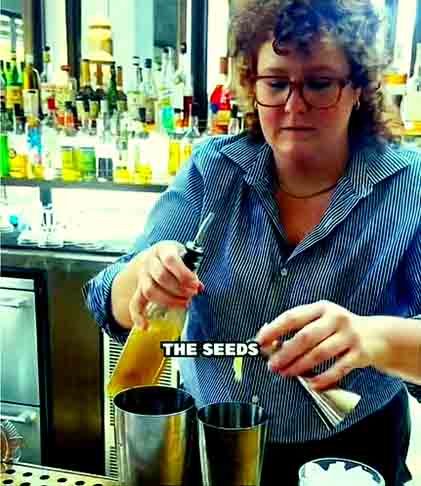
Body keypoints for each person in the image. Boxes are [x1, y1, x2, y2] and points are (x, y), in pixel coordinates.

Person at [84, 0, 421, 484]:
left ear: (357, 90)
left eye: (319, 83)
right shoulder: (212, 171)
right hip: (215, 445)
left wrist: (373, 338)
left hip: (353, 454)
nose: (294, 105)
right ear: (252, 85)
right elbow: (106, 300)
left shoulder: (409, 186)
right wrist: (145, 277)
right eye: (276, 83)